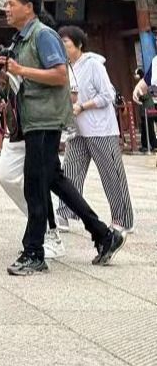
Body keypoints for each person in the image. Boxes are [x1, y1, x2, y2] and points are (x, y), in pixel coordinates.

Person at [0, 0, 125, 276]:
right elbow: (25, 81)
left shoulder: (43, 35)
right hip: (33, 119)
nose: (6, 9)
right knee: (55, 180)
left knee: (35, 186)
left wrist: (21, 70)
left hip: (44, 120)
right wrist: (4, 75)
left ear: (28, 7)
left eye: (11, 4)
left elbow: (59, 75)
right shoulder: (22, 39)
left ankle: (34, 252)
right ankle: (103, 234)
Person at [58, 27, 134, 232]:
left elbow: (107, 95)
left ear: (79, 44)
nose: (63, 48)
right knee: (70, 172)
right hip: (77, 130)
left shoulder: (93, 64)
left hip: (100, 130)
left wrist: (83, 106)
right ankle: (64, 213)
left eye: (66, 43)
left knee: (112, 175)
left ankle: (123, 219)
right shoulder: (64, 68)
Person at [132, 65, 157, 151]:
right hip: (147, 109)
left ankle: (148, 146)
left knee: (148, 129)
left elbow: (145, 96)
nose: (134, 76)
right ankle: (150, 145)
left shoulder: (143, 85)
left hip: (147, 110)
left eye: (136, 74)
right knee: (147, 129)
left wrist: (139, 96)